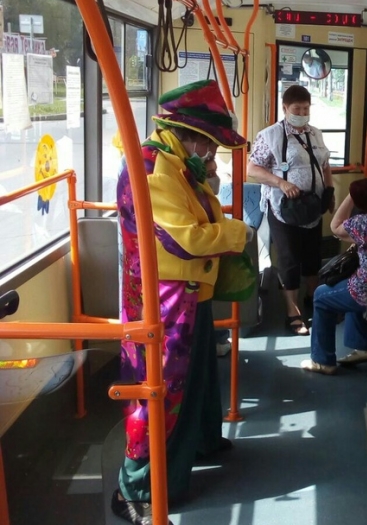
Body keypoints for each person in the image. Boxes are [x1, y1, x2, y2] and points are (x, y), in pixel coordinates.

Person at [113, 79, 253, 525]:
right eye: (208, 143)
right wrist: (237, 232)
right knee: (162, 391)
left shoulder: (178, 163)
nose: (211, 152)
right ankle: (136, 488)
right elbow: (183, 239)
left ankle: (200, 442)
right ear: (186, 133)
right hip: (164, 300)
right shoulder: (155, 169)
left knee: (196, 380)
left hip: (189, 294)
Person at [300, 165, 367, 375]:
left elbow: (335, 226)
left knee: (322, 295)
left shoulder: (366, 223)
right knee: (351, 283)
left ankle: (322, 360)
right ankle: (363, 346)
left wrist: (352, 194)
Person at [247, 85, 335, 336]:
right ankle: (292, 312)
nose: (302, 113)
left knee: (312, 256)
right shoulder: (270, 136)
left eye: (306, 109)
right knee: (289, 259)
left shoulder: (315, 134)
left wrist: (329, 192)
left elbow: (324, 165)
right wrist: (281, 183)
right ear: (285, 108)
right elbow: (252, 169)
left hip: (312, 207)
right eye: (297, 109)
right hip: (283, 208)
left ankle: (313, 298)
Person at [204, 159, 233, 358]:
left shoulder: (209, 201)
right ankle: (219, 338)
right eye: (210, 174)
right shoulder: (201, 203)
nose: (216, 179)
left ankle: (220, 338)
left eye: (215, 173)